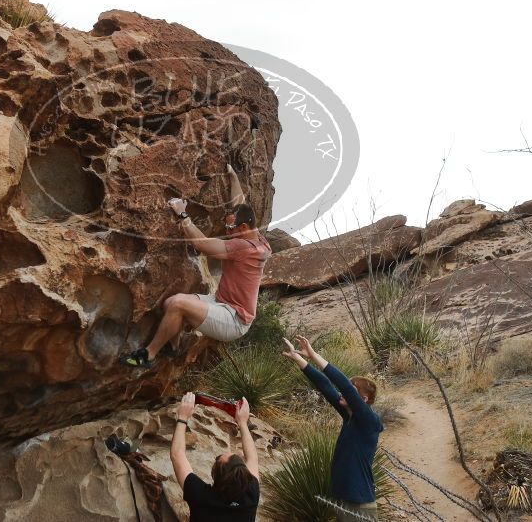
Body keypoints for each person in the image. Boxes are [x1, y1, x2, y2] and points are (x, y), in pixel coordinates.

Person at [121, 164, 272, 368]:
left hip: (234, 319)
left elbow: (201, 244)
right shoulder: (258, 238)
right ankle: (173, 347)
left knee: (177, 304)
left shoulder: (243, 247)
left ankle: (148, 355)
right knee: (170, 303)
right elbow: (240, 203)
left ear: (243, 227)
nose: (227, 230)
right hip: (221, 302)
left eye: (230, 227)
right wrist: (233, 177)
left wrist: (183, 215)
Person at [282, 335, 383, 522]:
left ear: (363, 400)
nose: (344, 393)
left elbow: (343, 384)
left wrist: (314, 354)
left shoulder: (369, 421)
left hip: (359, 505)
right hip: (344, 500)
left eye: (352, 391)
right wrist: (300, 360)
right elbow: (326, 386)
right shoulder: (349, 417)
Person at [170, 392, 260, 521]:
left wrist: (182, 416)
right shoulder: (251, 496)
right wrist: (243, 422)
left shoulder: (201, 496)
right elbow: (253, 458)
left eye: (217, 459)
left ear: (215, 475)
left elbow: (176, 454)